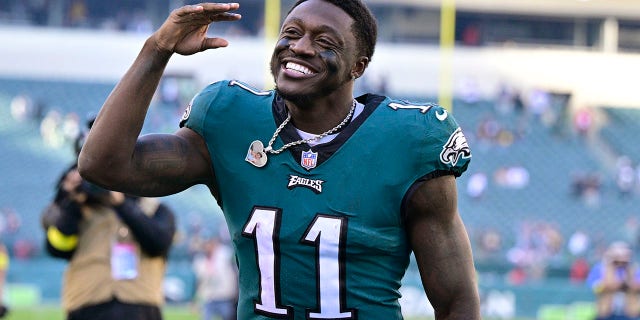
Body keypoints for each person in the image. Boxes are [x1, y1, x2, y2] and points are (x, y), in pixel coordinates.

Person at [78, 1, 480, 318]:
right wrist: (157, 49)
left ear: (358, 65)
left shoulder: (408, 141)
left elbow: (457, 304)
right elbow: (104, 165)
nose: (301, 47)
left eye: (325, 41)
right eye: (292, 33)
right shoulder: (231, 119)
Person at [41, 163, 177, 320]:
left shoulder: (155, 209)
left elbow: (159, 244)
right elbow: (57, 249)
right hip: (87, 304)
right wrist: (71, 202)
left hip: (140, 306)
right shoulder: (76, 210)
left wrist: (121, 203)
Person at [586, 241, 640, 319]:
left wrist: (628, 283)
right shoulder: (600, 268)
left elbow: (637, 286)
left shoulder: (634, 269)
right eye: (618, 255)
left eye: (624, 255)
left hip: (630, 313)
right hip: (606, 313)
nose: (621, 259)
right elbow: (595, 287)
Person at [192, 236, 238, 320]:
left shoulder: (225, 255)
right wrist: (196, 299)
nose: (208, 246)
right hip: (209, 297)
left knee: (228, 317)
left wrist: (234, 293)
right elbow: (199, 281)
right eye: (206, 244)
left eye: (209, 243)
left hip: (224, 296)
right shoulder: (200, 260)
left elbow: (234, 274)